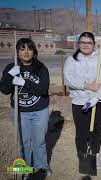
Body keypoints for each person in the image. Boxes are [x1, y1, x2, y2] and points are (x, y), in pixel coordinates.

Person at [64, 32, 101, 177]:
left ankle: (95, 153)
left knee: (97, 130)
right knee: (81, 131)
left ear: (93, 44)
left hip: (99, 102)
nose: (86, 45)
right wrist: (87, 86)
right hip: (80, 103)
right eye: (83, 42)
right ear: (78, 44)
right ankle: (83, 155)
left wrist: (96, 98)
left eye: (89, 42)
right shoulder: (71, 60)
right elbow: (68, 79)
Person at [0, 38, 51, 177]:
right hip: (19, 112)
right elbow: (4, 89)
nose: (26, 51)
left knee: (39, 141)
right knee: (24, 143)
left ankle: (41, 167)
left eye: (29, 48)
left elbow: (42, 90)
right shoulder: (12, 67)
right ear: (17, 52)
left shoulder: (41, 68)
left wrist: (23, 82)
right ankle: (25, 170)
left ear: (34, 51)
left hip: (39, 111)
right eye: (22, 49)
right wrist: (10, 76)